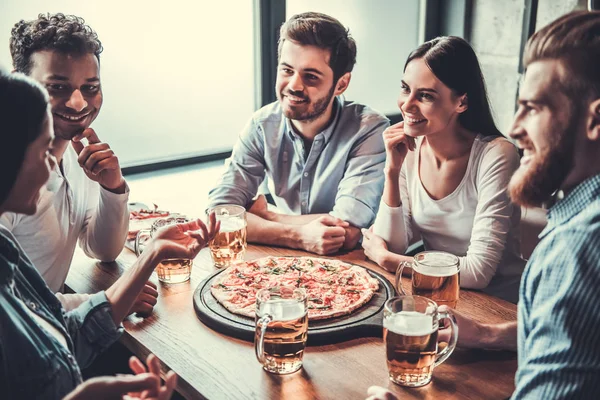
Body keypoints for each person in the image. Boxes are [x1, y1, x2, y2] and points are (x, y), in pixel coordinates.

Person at [368, 10, 600, 399]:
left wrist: (390, 261)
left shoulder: (576, 247)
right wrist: (491, 335)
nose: (516, 128)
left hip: (491, 299)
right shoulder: (572, 220)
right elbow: (571, 331)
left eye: (535, 107)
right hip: (469, 314)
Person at [0, 70, 219, 399]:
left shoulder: (5, 250)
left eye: (90, 87)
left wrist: (153, 252)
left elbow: (67, 331)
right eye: (44, 152)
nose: (51, 167)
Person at [1, 13, 157, 313]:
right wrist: (111, 302)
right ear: (22, 86)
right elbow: (9, 313)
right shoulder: (10, 178)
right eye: (58, 87)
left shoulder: (76, 154)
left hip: (56, 336)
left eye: (90, 87)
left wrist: (113, 187)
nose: (78, 102)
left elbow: (104, 250)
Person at [207, 12, 389, 255]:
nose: (294, 85)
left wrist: (268, 216)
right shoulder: (262, 125)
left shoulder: (368, 130)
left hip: (348, 267)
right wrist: (297, 235)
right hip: (280, 259)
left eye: (310, 77)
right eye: (287, 70)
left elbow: (346, 232)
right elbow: (218, 214)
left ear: (341, 84)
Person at [361, 36, 525, 303]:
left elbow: (478, 272)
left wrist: (389, 261)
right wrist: (391, 171)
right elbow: (393, 243)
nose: (407, 104)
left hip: (500, 305)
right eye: (405, 88)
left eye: (425, 95)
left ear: (461, 102)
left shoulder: (497, 154)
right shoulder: (410, 148)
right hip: (439, 295)